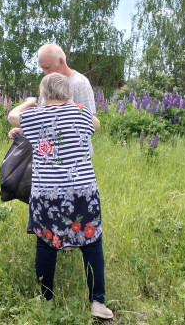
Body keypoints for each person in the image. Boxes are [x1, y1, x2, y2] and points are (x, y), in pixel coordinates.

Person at [7, 73, 113, 320]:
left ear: (45, 94)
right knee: (92, 242)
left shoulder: (34, 116)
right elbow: (96, 124)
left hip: (48, 194)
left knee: (46, 243)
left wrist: (30, 102)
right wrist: (75, 107)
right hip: (83, 191)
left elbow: (12, 116)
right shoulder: (81, 113)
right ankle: (98, 302)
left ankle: (45, 300)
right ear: (69, 93)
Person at [9, 44, 97, 156]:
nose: (46, 72)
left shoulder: (80, 84)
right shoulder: (47, 83)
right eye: (43, 68)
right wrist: (24, 131)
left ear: (61, 62)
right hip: (48, 158)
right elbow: (44, 120)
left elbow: (92, 123)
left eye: (48, 68)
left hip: (74, 158)